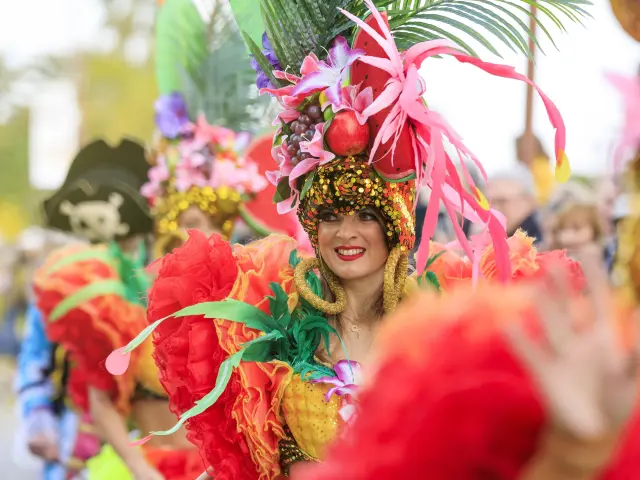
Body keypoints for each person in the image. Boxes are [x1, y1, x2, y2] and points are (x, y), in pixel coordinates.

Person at [113, 1, 584, 478]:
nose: (347, 233)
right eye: (332, 217)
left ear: (395, 225)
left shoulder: (440, 323)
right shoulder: (272, 321)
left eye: (364, 215)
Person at [487, 165, 545, 244]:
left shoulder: (545, 245)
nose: (493, 209)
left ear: (529, 202)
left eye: (502, 202)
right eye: (488, 202)